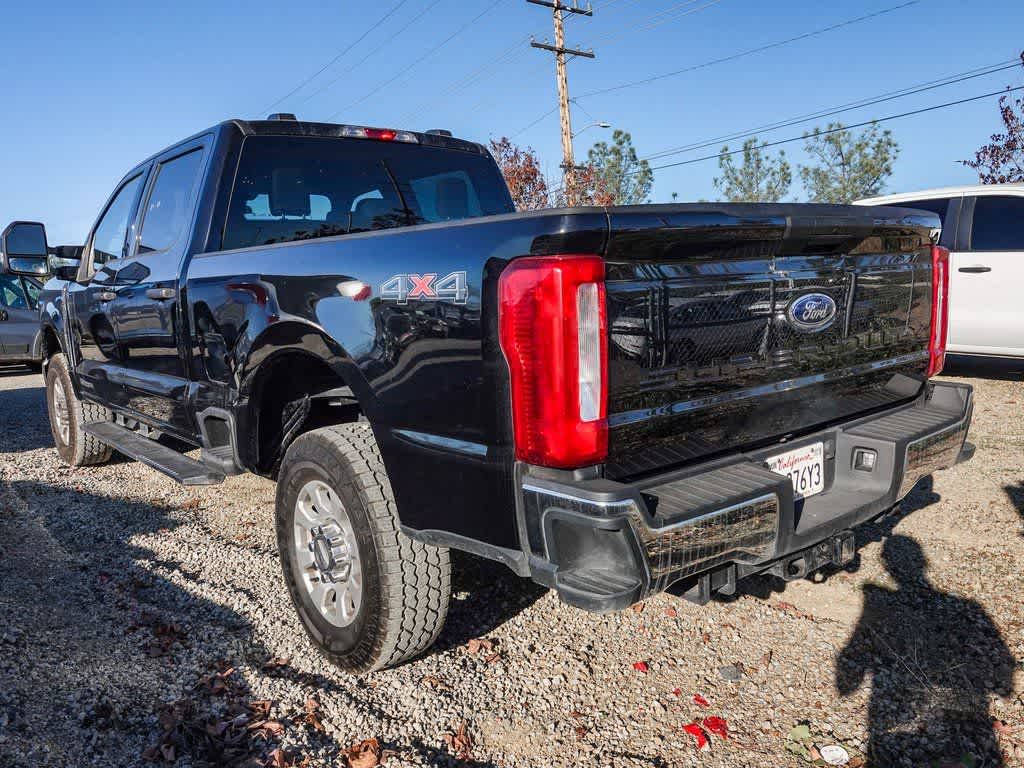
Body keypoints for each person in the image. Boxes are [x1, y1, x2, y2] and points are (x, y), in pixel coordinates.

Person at [837, 535, 1013, 765]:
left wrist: (849, 680)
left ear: (887, 566)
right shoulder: (970, 608)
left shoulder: (875, 600)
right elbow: (1005, 683)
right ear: (924, 563)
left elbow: (848, 675)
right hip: (960, 726)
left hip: (896, 721)